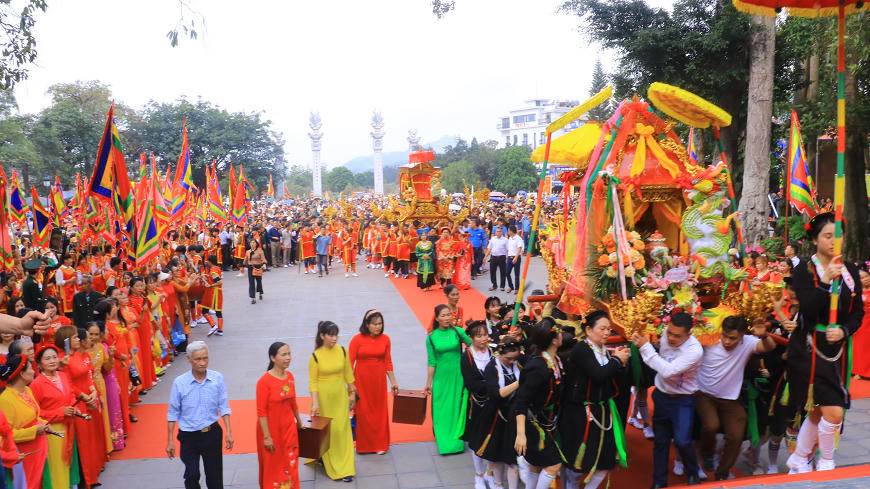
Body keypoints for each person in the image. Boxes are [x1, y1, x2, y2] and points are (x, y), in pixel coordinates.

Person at [785, 212, 864, 473]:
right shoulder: (804, 270)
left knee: (819, 411)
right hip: (809, 348)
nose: (834, 241)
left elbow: (857, 313)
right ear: (815, 239)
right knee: (834, 412)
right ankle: (827, 462)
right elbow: (807, 308)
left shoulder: (851, 269)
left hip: (835, 349)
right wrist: (826, 281)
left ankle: (799, 457)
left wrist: (844, 330)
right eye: (828, 236)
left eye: (838, 236)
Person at [695, 315, 776, 480]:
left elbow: (769, 347)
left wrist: (764, 335)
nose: (726, 341)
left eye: (732, 338)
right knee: (711, 425)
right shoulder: (709, 338)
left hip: (730, 399)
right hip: (704, 394)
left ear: (742, 336)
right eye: (724, 336)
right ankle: (707, 454)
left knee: (736, 434)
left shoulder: (748, 342)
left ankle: (722, 473)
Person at [631, 312, 703, 488]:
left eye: (677, 336)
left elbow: (669, 370)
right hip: (662, 395)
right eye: (669, 332)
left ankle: (692, 471)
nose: (670, 338)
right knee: (661, 442)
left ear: (689, 334)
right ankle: (659, 482)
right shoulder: (664, 334)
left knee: (683, 441)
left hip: (683, 401)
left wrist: (645, 347)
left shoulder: (695, 351)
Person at [560, 311, 630, 489]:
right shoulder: (582, 349)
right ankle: (571, 485)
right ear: (589, 329)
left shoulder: (603, 350)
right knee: (578, 462)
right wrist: (616, 361)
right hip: (581, 413)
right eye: (602, 329)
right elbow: (598, 375)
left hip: (602, 411)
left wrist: (621, 365)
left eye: (609, 329)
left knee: (606, 461)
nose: (607, 333)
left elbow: (613, 381)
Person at [166, 341, 234, 489]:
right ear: (189, 359)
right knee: (192, 474)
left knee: (214, 477)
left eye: (205, 358)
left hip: (212, 434)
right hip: (189, 436)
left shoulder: (217, 379)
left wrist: (229, 432)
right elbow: (172, 412)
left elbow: (224, 406)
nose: (203, 363)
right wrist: (170, 440)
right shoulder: (180, 383)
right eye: (198, 359)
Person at [514, 318, 564, 489]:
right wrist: (521, 434)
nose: (562, 334)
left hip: (547, 421)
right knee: (554, 464)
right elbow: (521, 401)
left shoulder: (555, 360)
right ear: (554, 340)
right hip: (533, 424)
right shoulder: (537, 366)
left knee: (535, 466)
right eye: (559, 332)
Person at [309, 321, 356, 481]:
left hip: (340, 396)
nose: (334, 338)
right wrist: (315, 403)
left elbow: (349, 374)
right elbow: (313, 382)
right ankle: (327, 459)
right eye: (330, 335)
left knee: (342, 429)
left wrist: (352, 392)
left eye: (336, 334)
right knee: (329, 431)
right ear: (322, 336)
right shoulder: (315, 356)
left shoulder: (343, 351)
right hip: (323, 399)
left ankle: (346, 467)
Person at [30, 345, 80, 489]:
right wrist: (60, 412)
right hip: (53, 430)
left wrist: (73, 408)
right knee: (57, 466)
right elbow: (37, 413)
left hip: (69, 426)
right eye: (47, 358)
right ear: (39, 364)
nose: (52, 361)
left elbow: (70, 395)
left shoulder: (63, 376)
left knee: (70, 463)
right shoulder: (36, 384)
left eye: (54, 357)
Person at [424, 304, 473, 455]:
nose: (447, 318)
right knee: (440, 408)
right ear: (437, 318)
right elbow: (432, 362)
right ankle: (443, 440)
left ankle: (456, 442)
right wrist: (428, 383)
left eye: (448, 315)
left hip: (458, 376)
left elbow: (473, 346)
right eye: (443, 316)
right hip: (440, 378)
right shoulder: (431, 338)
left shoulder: (458, 332)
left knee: (456, 407)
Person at [349, 310, 398, 455]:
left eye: (380, 323)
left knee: (379, 411)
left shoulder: (386, 339)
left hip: (378, 381)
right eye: (375, 324)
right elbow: (349, 364)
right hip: (361, 381)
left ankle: (379, 444)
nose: (378, 326)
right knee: (363, 411)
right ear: (367, 324)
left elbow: (388, 362)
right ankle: (363, 446)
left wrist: (393, 382)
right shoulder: (356, 340)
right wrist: (350, 386)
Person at [257, 342, 303, 489]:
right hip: (271, 431)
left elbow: (293, 402)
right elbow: (261, 412)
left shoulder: (290, 376)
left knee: (291, 460)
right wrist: (267, 436)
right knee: (273, 465)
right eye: (283, 355)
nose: (288, 358)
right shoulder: (264, 382)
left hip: (289, 429)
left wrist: (299, 420)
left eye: (289, 354)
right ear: (272, 358)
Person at [0, 354, 47, 489]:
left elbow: (34, 416)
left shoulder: (27, 390)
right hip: (22, 455)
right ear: (21, 373)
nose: (34, 371)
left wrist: (43, 423)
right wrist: (33, 431)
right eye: (30, 368)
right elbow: (6, 436)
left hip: (38, 448)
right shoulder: (5, 400)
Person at [480, 337, 522, 489]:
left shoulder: (520, 363)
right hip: (496, 416)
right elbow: (496, 394)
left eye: (515, 358)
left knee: (513, 458)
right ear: (499, 354)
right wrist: (519, 383)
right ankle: (498, 484)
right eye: (508, 358)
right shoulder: (491, 368)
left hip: (515, 415)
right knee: (497, 456)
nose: (512, 362)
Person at [460, 321, 493, 489]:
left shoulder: (493, 352)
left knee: (492, 436)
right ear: (471, 338)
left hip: (493, 403)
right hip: (476, 403)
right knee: (476, 439)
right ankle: (478, 474)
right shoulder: (467, 356)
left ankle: (490, 472)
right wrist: (492, 385)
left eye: (485, 334)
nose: (483, 338)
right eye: (479, 336)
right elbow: (470, 383)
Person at [851, 266, 870, 378]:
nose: (865, 279)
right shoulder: (856, 293)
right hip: (861, 323)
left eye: (866, 276)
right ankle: (858, 371)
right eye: (862, 278)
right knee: (860, 348)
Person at [484, 226, 508, 292]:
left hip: (502, 257)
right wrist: (485, 256)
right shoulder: (492, 239)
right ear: (495, 232)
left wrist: (507, 257)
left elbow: (508, 250)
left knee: (503, 272)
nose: (498, 233)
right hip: (493, 257)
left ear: (502, 232)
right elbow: (489, 248)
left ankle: (502, 286)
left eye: (499, 231)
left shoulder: (505, 240)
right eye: (497, 231)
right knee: (492, 272)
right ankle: (494, 285)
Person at [245, 239, 266, 304]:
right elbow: (245, 260)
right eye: (251, 242)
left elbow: (263, 259)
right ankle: (253, 298)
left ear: (256, 244)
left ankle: (260, 293)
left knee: (259, 281)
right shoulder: (248, 252)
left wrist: (264, 264)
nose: (252, 244)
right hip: (250, 268)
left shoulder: (260, 251)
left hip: (258, 267)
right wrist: (241, 265)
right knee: (251, 283)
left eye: (254, 242)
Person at [505, 225, 524, 294]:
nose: (508, 232)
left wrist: (516, 257)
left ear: (511, 231)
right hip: (510, 257)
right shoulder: (510, 238)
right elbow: (508, 249)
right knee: (507, 273)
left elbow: (520, 248)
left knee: (516, 274)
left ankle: (517, 288)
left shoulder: (518, 238)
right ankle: (511, 286)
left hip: (516, 257)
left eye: (508, 230)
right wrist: (507, 257)